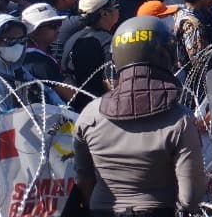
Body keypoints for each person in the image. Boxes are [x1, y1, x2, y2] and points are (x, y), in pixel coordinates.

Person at [73, 16, 204, 215]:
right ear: (167, 55)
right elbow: (191, 197)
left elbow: (84, 180)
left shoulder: (89, 115)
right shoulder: (180, 119)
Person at [0, 14, 62, 132]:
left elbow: (43, 89)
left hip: (26, 139)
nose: (17, 46)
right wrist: (33, 116)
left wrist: (62, 109)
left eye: (21, 40)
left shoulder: (16, 69)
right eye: (10, 41)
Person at [61, 0, 122, 111]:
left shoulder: (72, 39)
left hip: (78, 110)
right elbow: (111, 83)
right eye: (116, 6)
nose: (118, 9)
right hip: (102, 110)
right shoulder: (108, 42)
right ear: (104, 13)